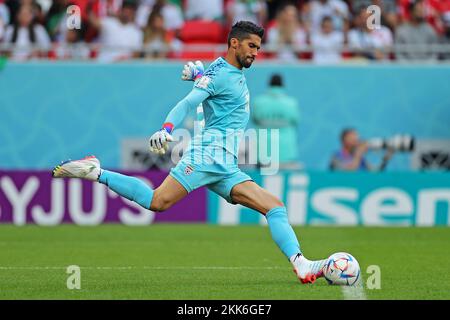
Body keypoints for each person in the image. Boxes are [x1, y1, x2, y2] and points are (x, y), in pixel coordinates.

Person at [52, 21, 329, 285]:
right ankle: (97, 171)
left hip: (226, 166)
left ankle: (300, 263)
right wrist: (167, 128)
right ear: (234, 43)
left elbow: (212, 96)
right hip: (207, 158)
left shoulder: (224, 72)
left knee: (275, 207)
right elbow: (188, 102)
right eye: (251, 46)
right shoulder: (220, 74)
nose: (256, 53)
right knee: (157, 201)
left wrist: (199, 77)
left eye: (258, 47)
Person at [252, 73, 302, 170]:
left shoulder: (258, 102)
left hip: (263, 153)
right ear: (282, 85)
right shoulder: (291, 103)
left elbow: (254, 119)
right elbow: (296, 121)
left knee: (262, 183)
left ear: (269, 84)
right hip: (287, 153)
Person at [329, 128, 394, 171]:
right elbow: (348, 173)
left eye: (357, 137)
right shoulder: (336, 157)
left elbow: (376, 173)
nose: (357, 139)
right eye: (353, 137)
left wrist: (385, 160)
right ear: (344, 140)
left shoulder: (361, 160)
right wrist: (358, 154)